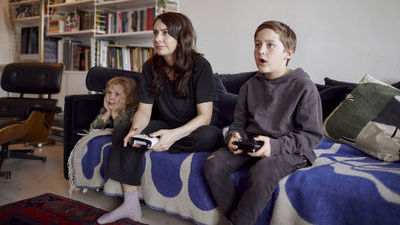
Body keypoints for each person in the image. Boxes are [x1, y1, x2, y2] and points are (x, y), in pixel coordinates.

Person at [97, 12, 224, 224]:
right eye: (156, 32)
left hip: (197, 127)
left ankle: (158, 142)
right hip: (167, 124)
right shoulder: (150, 67)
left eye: (165, 33)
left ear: (181, 36)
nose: (158, 38)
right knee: (122, 131)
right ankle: (130, 204)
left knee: (210, 136)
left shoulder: (200, 66)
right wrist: (136, 130)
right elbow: (144, 112)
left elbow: (205, 116)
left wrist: (172, 136)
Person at [204, 20, 323, 225]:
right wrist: (234, 136)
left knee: (263, 170)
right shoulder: (248, 87)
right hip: (252, 142)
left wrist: (274, 146)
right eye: (257, 44)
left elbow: (311, 136)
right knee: (214, 164)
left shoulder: (304, 86)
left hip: (292, 149)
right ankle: (240, 219)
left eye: (270, 45)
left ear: (288, 52)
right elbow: (238, 124)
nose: (261, 51)